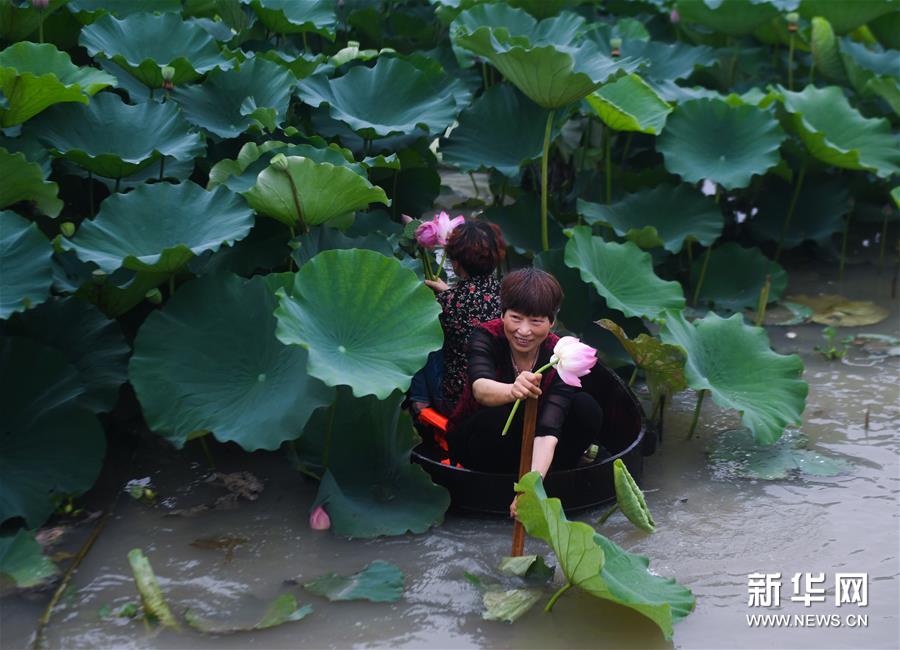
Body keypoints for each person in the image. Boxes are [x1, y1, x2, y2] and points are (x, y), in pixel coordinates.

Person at [446, 268, 603, 512]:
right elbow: (480, 388)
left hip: (537, 443)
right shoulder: (486, 336)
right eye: (516, 318)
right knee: (496, 419)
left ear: (551, 322)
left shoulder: (560, 355)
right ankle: (506, 482)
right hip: (482, 442)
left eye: (536, 321)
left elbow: (549, 429)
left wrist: (529, 488)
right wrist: (513, 390)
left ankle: (542, 476)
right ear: (503, 314)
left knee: (586, 408)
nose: (524, 331)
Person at [408, 219, 506, 417]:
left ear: (456, 262)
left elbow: (461, 304)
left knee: (421, 339)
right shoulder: (508, 298)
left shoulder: (446, 304)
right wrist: (448, 292)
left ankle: (420, 404)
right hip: (498, 397)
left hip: (456, 403)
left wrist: (446, 295)